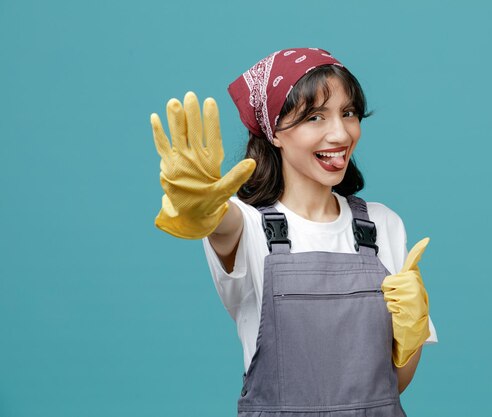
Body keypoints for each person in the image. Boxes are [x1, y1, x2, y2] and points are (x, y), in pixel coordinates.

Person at [150, 47, 438, 416]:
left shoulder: (383, 225)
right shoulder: (248, 224)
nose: (340, 133)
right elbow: (221, 224)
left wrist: (411, 336)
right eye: (315, 117)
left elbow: (391, 386)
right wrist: (199, 209)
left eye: (348, 113)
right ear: (275, 133)